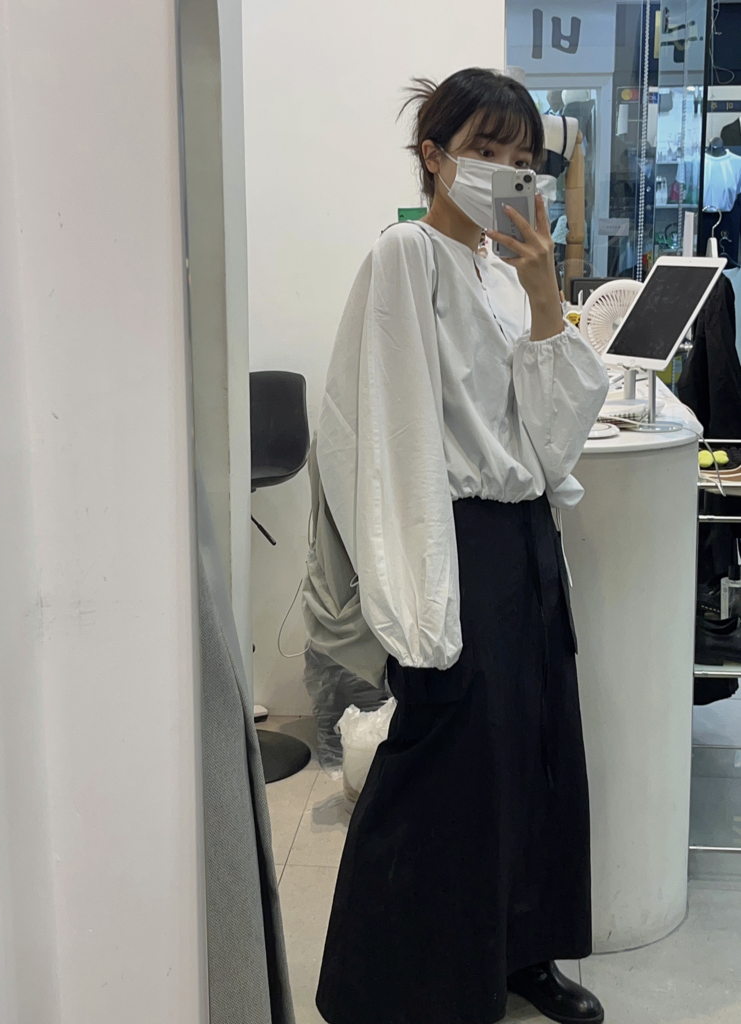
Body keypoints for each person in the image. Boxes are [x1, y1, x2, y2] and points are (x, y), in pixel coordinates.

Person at [311, 68, 609, 1024]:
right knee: (440, 765)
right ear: (434, 156)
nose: (506, 170)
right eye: (485, 149)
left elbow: (552, 437)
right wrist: (411, 595)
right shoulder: (406, 254)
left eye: (523, 157)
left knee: (534, 756)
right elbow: (382, 433)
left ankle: (522, 955)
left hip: (523, 539)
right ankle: (385, 984)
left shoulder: (504, 273)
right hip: (453, 540)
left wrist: (544, 292)